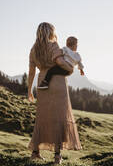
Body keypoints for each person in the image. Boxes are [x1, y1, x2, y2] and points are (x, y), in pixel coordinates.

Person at [27, 22, 83, 164]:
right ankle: (57, 156)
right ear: (50, 32)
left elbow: (31, 72)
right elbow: (59, 62)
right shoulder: (53, 45)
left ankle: (35, 152)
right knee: (59, 117)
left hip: (42, 83)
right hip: (57, 82)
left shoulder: (33, 49)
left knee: (42, 117)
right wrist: (71, 69)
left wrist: (29, 91)